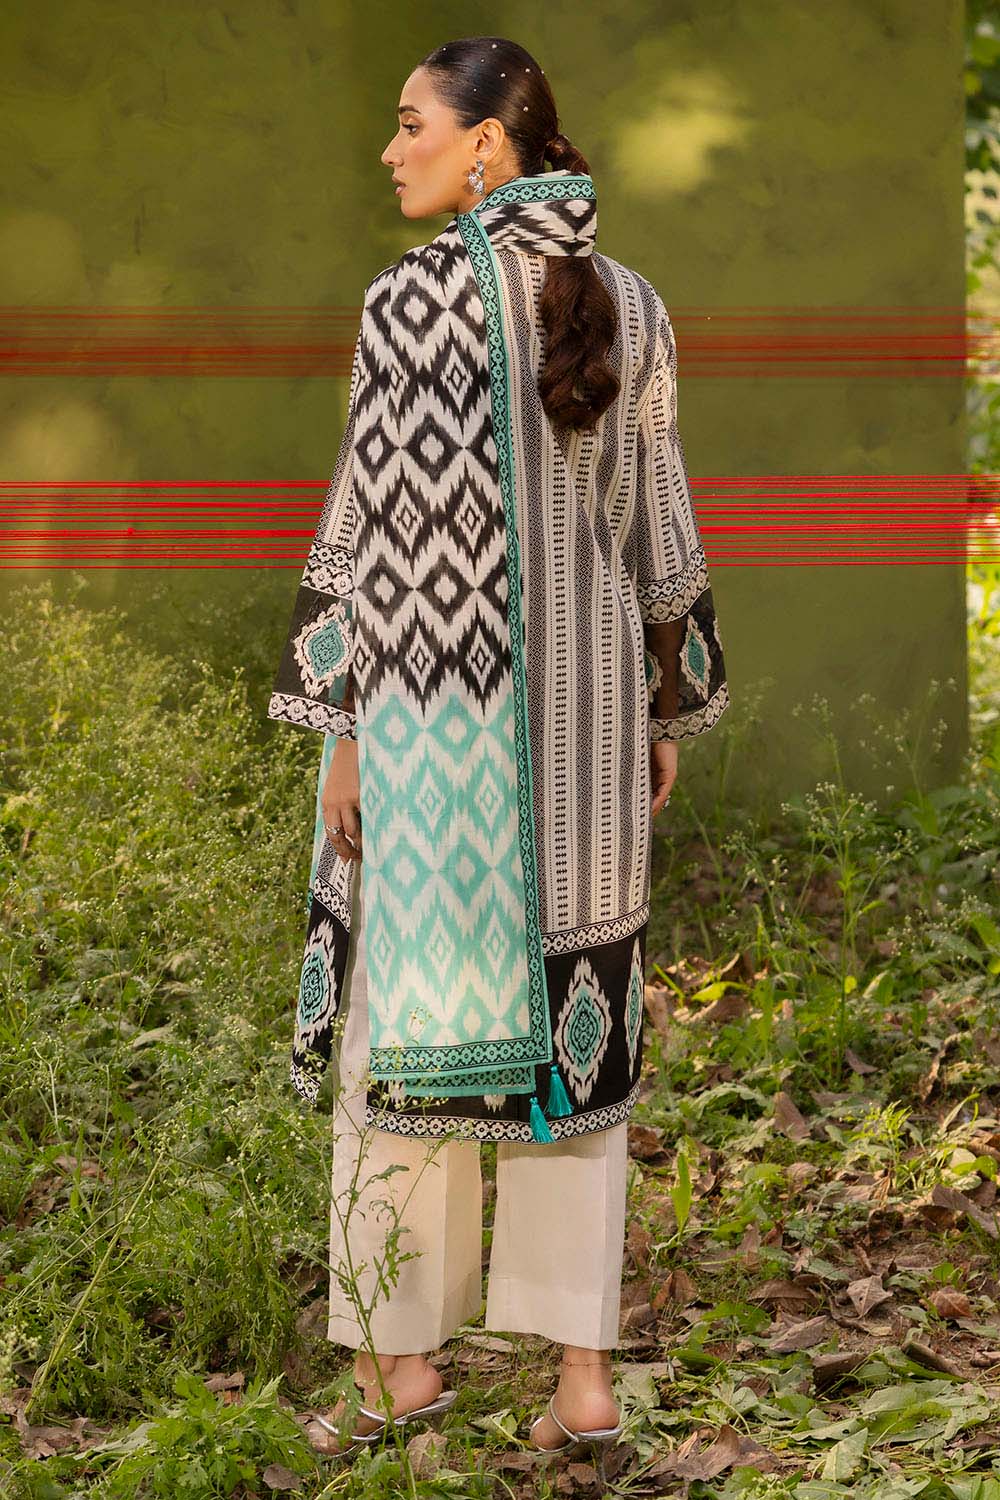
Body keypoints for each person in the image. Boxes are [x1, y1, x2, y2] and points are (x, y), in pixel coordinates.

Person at [267, 34, 730, 1466]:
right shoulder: (631, 302)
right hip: (587, 748)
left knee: (400, 1054)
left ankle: (398, 1371)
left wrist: (344, 732)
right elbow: (660, 522)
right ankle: (583, 1384)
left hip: (436, 744)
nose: (390, 150)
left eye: (410, 123)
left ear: (486, 143)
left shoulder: (411, 301)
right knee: (583, 1055)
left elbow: (373, 531)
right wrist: (665, 711)